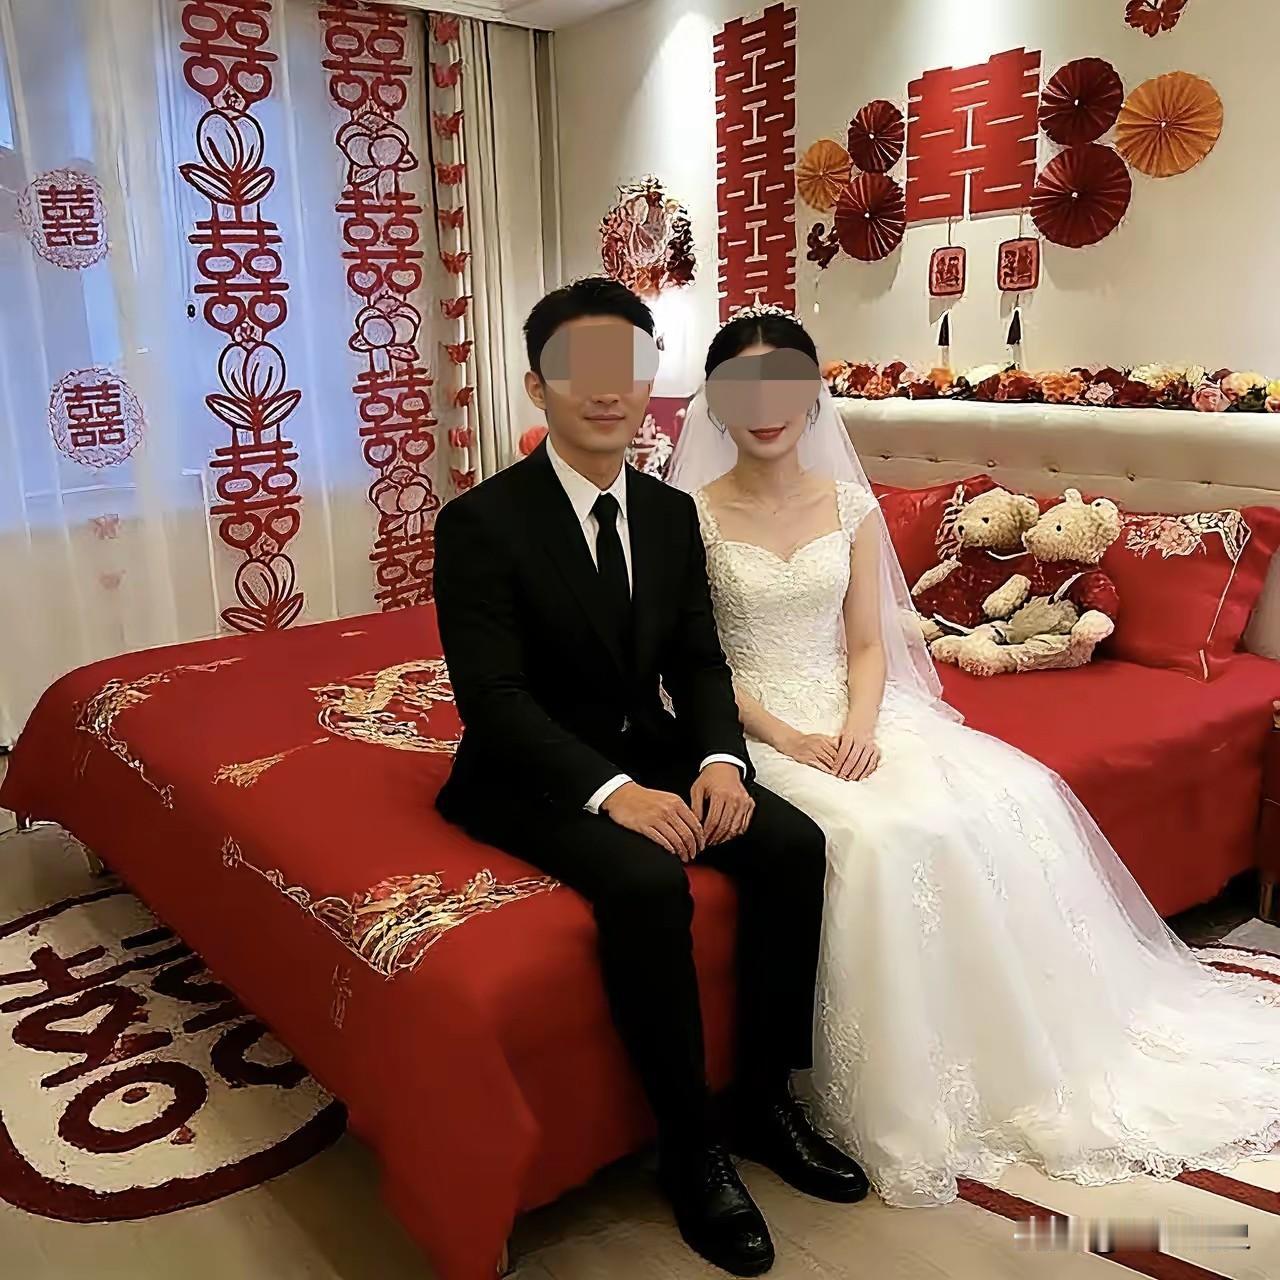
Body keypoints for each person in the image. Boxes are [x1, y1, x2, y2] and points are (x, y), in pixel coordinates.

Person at [669, 304, 1280, 1208]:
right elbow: (693, 661)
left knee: (1010, 796)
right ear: (717, 403)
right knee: (878, 839)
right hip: (757, 727)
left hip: (856, 714)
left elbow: (868, 644)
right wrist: (790, 738)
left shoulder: (849, 505)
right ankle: (820, 1091)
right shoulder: (687, 515)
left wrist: (862, 727)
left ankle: (1028, 1043)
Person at [433, 279, 867, 1277]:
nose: (605, 391)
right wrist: (614, 793)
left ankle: (763, 1100)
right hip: (527, 767)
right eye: (578, 370)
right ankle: (690, 1145)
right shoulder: (482, 523)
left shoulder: (670, 514)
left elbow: (702, 660)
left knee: (790, 843)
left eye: (625, 368)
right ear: (536, 387)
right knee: (643, 880)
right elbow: (493, 700)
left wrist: (719, 759)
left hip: (650, 743)